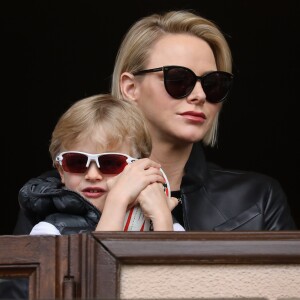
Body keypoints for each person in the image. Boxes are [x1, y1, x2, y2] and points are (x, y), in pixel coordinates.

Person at [12, 9, 296, 235]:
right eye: (178, 80)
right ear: (130, 87)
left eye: (213, 84)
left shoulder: (258, 197)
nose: (198, 95)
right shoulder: (52, 196)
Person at [17, 93, 180, 235]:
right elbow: (101, 269)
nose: (92, 175)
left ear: (139, 168)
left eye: (111, 163)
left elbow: (171, 272)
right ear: (61, 171)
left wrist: (162, 220)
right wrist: (117, 201)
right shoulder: (49, 232)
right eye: (77, 162)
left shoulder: (167, 223)